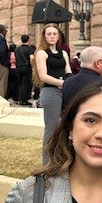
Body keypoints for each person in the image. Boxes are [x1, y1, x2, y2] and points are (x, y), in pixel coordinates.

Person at [32, 23, 72, 163]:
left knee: (66, 126)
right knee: (52, 127)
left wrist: (69, 82)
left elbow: (68, 71)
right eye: (49, 34)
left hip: (64, 90)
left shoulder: (64, 53)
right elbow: (43, 76)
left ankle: (62, 158)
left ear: (59, 35)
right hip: (50, 91)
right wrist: (62, 83)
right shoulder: (41, 53)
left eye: (54, 34)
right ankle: (47, 162)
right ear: (44, 36)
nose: (52, 36)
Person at [15, 34, 35, 106]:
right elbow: (32, 58)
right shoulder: (30, 49)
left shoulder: (17, 49)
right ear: (28, 40)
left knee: (20, 84)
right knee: (25, 84)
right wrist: (32, 66)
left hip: (18, 68)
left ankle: (20, 99)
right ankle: (24, 100)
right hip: (26, 68)